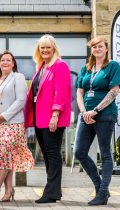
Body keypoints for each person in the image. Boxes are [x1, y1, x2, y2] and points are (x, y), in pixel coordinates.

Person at [23, 34, 72, 203]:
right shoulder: (41, 67)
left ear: (54, 49)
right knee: (47, 153)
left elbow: (62, 92)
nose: (44, 50)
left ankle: (50, 192)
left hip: (52, 118)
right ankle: (55, 191)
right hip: (39, 117)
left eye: (47, 47)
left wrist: (55, 115)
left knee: (52, 153)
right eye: (42, 47)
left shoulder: (60, 66)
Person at [74, 37, 120, 206]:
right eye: (94, 46)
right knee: (79, 152)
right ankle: (101, 187)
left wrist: (96, 110)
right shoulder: (86, 68)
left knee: (105, 153)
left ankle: (101, 194)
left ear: (106, 49)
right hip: (87, 115)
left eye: (100, 46)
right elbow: (80, 92)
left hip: (105, 114)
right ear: (91, 50)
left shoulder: (113, 66)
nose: (97, 49)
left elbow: (114, 91)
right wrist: (85, 112)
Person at [0, 51, 35, 202]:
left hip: (11, 123)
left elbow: (20, 100)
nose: (5, 62)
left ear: (13, 64)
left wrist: (3, 116)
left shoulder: (17, 77)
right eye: (2, 60)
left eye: (8, 60)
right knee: (4, 157)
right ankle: (9, 190)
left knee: (4, 156)